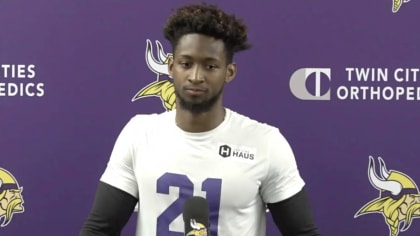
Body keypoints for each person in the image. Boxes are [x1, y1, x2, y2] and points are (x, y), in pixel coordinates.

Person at [80, 3, 321, 236]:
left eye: (210, 66)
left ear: (229, 72)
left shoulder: (265, 143)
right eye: (186, 64)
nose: (196, 76)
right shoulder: (139, 133)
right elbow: (100, 229)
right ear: (172, 67)